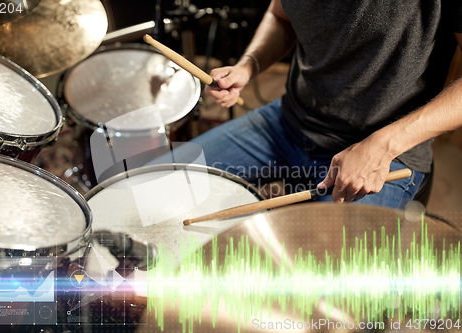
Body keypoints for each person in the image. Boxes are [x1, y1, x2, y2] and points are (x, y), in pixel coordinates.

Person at [182, 0, 462, 210]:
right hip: (287, 123)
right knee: (151, 194)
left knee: (325, 282)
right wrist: (249, 65)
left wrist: (383, 146)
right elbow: (281, 14)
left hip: (384, 149)